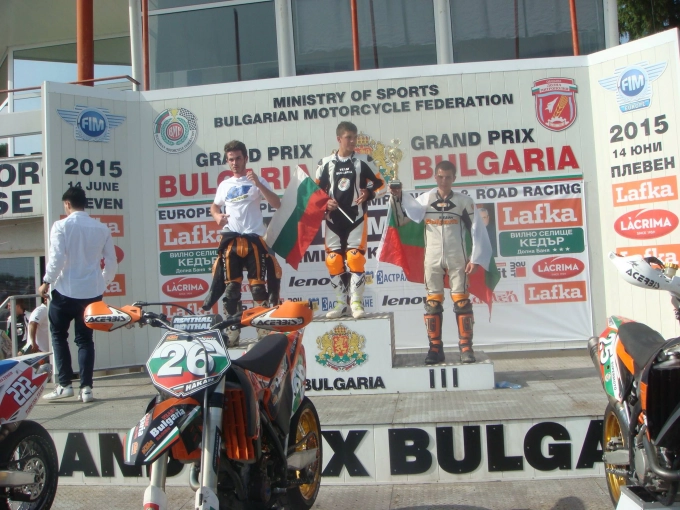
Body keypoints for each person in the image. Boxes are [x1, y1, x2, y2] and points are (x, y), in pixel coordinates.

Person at [389, 160, 492, 364]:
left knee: (462, 301)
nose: (444, 181)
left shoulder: (464, 201)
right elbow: (402, 220)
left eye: (448, 177)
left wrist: (475, 258)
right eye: (440, 177)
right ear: (435, 177)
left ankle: (466, 347)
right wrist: (396, 197)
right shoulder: (425, 198)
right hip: (432, 258)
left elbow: (477, 230)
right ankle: (435, 348)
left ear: (454, 178)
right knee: (433, 303)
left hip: (457, 258)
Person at [39, 187, 118, 402]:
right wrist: (102, 282)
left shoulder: (61, 226)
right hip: (92, 293)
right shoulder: (101, 228)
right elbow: (112, 261)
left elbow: (57, 259)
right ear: (85, 203)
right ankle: (86, 389)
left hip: (65, 290)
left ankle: (65, 385)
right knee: (85, 340)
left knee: (58, 336)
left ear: (67, 204)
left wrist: (46, 281)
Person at [207, 140, 282, 346]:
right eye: (231, 159)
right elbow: (214, 206)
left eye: (238, 158)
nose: (234, 163)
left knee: (258, 289)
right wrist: (217, 216)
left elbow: (277, 203)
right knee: (231, 290)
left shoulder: (257, 180)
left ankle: (263, 331)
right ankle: (233, 333)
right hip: (231, 240)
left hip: (254, 241)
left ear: (246, 159)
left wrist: (258, 183)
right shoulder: (225, 185)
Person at [315, 121, 385, 319]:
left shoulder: (364, 161)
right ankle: (340, 303)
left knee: (354, 257)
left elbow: (382, 185)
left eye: (355, 137)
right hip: (333, 220)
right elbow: (314, 193)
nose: (353, 141)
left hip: (356, 218)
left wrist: (369, 193)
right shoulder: (325, 163)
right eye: (348, 137)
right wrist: (325, 203)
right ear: (339, 139)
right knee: (333, 260)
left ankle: (356, 303)